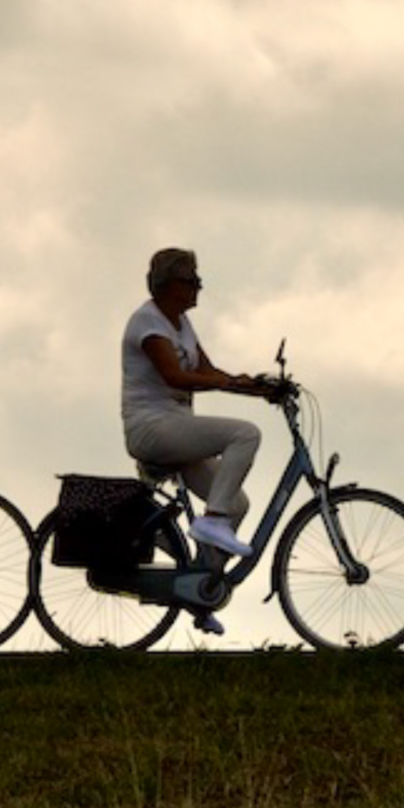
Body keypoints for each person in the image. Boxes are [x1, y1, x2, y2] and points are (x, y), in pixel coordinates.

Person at [121, 247, 279, 635]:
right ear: (170, 285)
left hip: (177, 428)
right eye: (192, 281)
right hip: (153, 428)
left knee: (237, 503)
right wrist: (228, 383)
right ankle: (212, 521)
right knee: (245, 434)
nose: (199, 288)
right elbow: (176, 376)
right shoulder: (148, 322)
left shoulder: (181, 324)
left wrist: (257, 388)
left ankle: (199, 590)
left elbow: (207, 372)